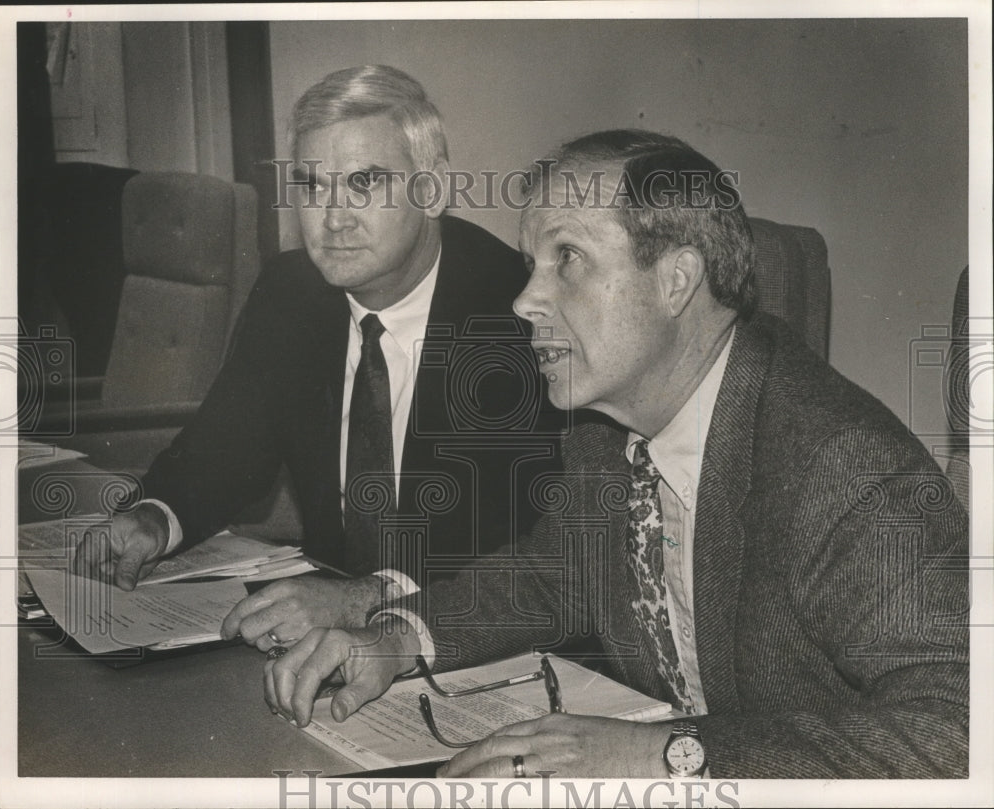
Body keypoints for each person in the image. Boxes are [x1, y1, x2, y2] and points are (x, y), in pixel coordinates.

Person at [260, 129, 969, 779]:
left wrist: (657, 753)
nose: (525, 301)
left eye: (566, 258)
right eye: (531, 265)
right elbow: (550, 574)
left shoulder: (842, 466)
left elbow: (960, 729)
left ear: (676, 280)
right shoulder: (606, 430)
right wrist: (396, 638)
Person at [72, 65, 561, 651]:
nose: (332, 219)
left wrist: (363, 600)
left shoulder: (514, 310)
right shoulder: (290, 292)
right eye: (310, 186)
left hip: (476, 648)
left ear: (431, 190)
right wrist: (155, 515)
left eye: (363, 183)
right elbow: (225, 448)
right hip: (320, 645)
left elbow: (523, 539)